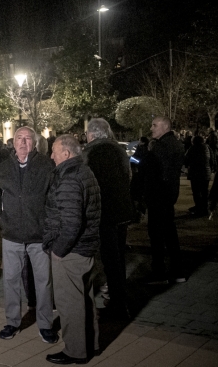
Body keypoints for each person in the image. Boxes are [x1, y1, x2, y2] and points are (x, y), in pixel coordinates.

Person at [0, 127, 55, 339]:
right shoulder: (5, 166)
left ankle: (45, 324)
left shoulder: (46, 165)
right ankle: (12, 322)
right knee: (11, 280)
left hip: (39, 234)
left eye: (27, 139)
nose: (23, 142)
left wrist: (49, 223)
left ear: (34, 143)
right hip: (12, 234)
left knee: (43, 282)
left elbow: (54, 198)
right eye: (19, 138)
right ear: (13, 142)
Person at [43, 135, 101, 364]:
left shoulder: (69, 178)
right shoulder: (85, 172)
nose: (51, 156)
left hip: (71, 252)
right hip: (86, 248)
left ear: (66, 154)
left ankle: (75, 351)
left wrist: (58, 251)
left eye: (55, 151)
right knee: (86, 301)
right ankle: (91, 345)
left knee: (70, 305)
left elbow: (71, 222)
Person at [83, 118, 134, 320]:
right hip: (121, 212)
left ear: (93, 134)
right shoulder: (119, 151)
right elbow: (128, 176)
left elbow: (85, 184)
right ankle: (118, 297)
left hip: (104, 213)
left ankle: (118, 305)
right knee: (118, 258)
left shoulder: (90, 152)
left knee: (109, 259)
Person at [141, 116, 186, 284]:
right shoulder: (176, 144)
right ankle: (177, 271)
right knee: (170, 233)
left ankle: (159, 273)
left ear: (165, 127)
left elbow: (148, 170)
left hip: (158, 196)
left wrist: (142, 156)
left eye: (154, 125)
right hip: (169, 195)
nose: (151, 128)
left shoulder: (160, 147)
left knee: (157, 236)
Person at [185, 135, 211, 217]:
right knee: (204, 192)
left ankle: (199, 209)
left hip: (195, 173)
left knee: (196, 192)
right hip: (206, 172)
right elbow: (212, 159)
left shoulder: (192, 149)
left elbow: (186, 159)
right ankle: (205, 208)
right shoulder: (207, 148)